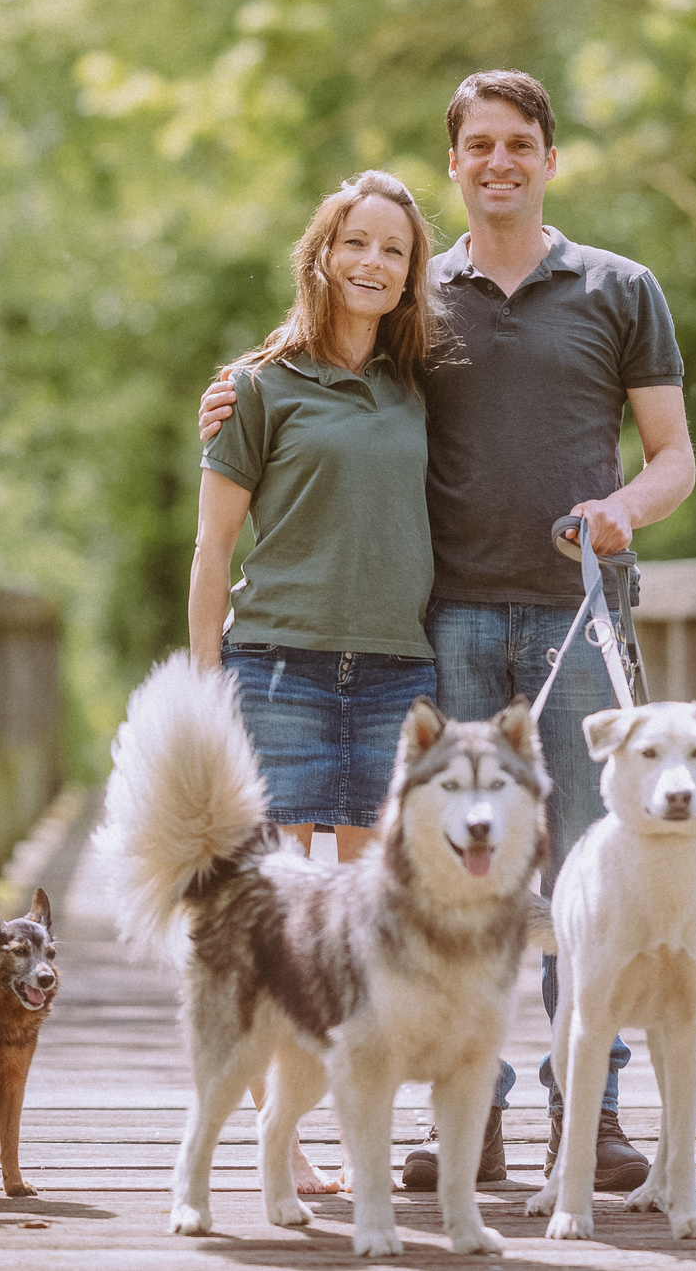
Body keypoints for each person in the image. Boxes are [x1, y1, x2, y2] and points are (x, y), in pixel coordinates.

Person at [202, 71, 696, 1193]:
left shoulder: (621, 288)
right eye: (479, 144)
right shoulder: (421, 294)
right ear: (456, 163)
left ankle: (592, 1110)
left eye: (519, 142)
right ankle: (468, 1116)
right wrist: (231, 400)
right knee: (452, 874)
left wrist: (623, 510)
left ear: (550, 158)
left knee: (588, 868)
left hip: (581, 618)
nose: (499, 161)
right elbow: (325, 364)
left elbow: (674, 456)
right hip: (447, 624)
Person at [192, 170, 446, 1196]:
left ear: (411, 272)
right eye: (357, 243)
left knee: (373, 924)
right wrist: (206, 689)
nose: (373, 262)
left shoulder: (421, 385)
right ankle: (281, 1140)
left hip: (395, 676)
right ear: (323, 254)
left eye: (395, 249)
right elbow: (212, 549)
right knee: (276, 927)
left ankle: (358, 1128)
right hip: (279, 669)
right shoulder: (255, 386)